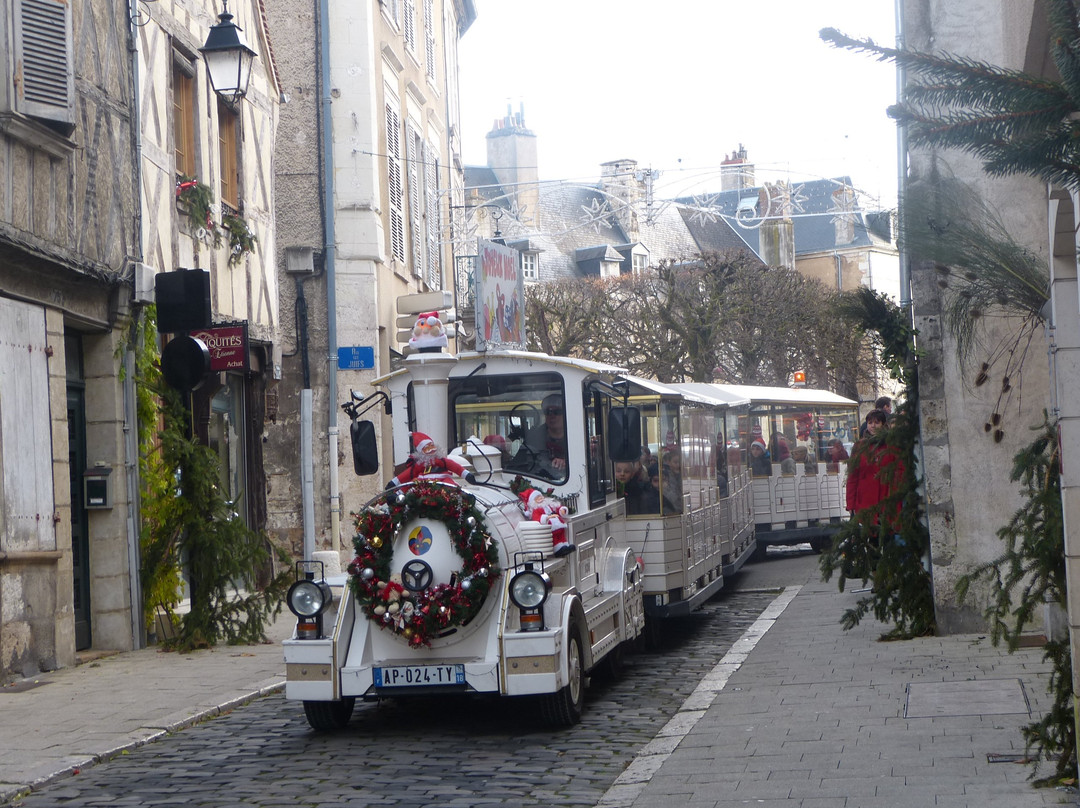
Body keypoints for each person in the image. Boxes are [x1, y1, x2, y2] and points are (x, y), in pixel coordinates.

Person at [845, 409, 903, 530]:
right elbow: (852, 476)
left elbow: (900, 471)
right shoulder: (859, 446)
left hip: (886, 499)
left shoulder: (891, 445)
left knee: (887, 536)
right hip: (865, 501)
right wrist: (851, 504)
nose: (873, 426)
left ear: (883, 424)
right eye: (870, 422)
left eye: (877, 422)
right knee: (870, 538)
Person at [509, 393, 569, 480]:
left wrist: (566, 463)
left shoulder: (576, 437)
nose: (552, 416)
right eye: (548, 412)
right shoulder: (533, 439)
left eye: (557, 412)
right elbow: (517, 468)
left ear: (566, 414)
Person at [386, 432, 475, 488]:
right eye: (427, 448)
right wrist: (394, 482)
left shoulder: (442, 460)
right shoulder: (420, 464)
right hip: (423, 481)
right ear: (421, 451)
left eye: (431, 446)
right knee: (412, 485)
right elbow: (408, 473)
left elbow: (455, 467)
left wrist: (466, 474)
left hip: (442, 479)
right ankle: (398, 495)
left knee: (450, 486)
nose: (431, 449)